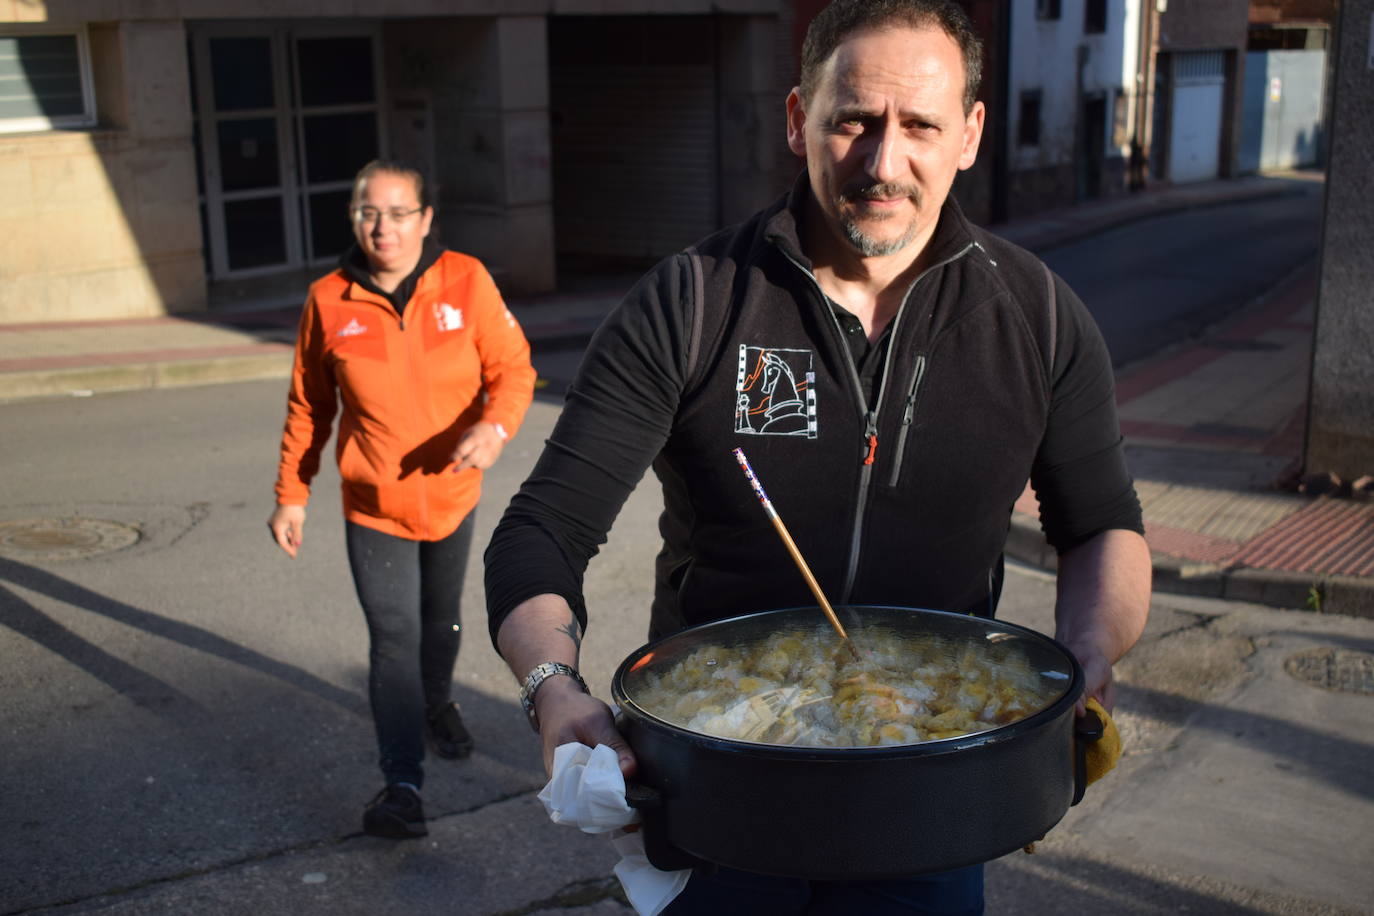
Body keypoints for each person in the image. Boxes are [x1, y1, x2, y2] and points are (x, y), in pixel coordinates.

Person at [484, 0, 1151, 911]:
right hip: (721, 784)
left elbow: (1103, 522)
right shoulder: (694, 300)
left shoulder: (1036, 316)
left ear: (969, 134)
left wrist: (1087, 652)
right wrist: (552, 690)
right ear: (799, 120)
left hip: (932, 788)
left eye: (920, 125)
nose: (884, 162)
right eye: (853, 121)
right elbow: (542, 531)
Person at [269, 159, 536, 840]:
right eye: (367, 211)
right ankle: (402, 785)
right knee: (393, 639)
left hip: (452, 491)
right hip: (373, 502)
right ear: (354, 217)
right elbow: (309, 406)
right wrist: (290, 495)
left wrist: (494, 426)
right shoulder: (329, 299)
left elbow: (512, 370)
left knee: (440, 619)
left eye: (396, 212)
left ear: (425, 220)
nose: (381, 226)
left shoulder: (466, 281)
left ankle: (439, 702)